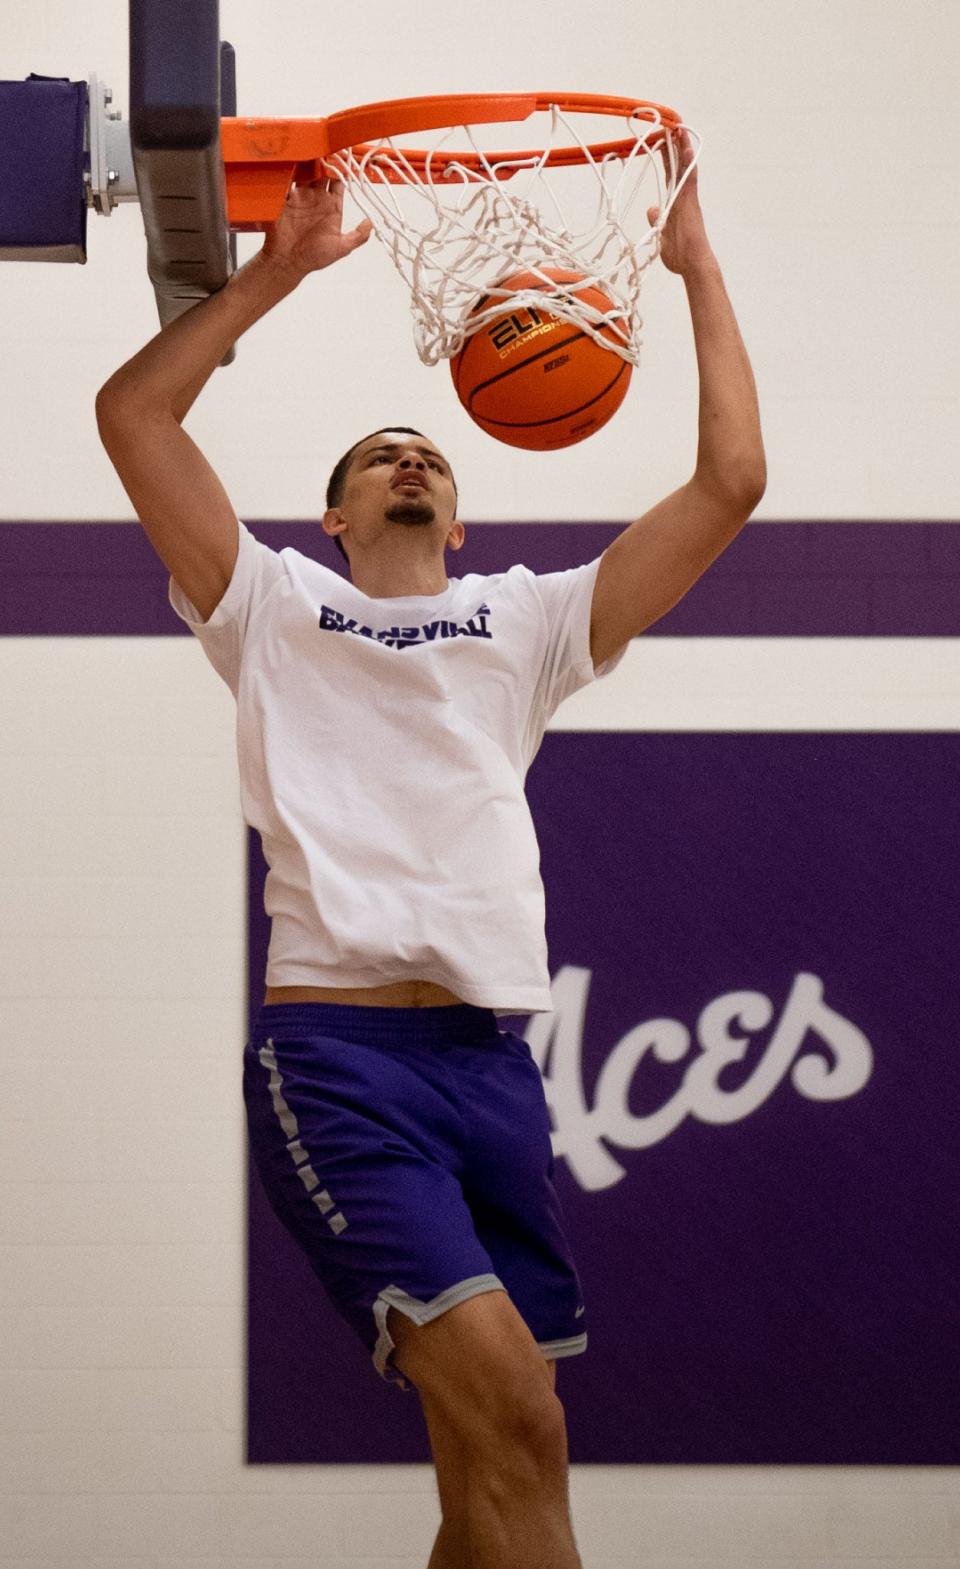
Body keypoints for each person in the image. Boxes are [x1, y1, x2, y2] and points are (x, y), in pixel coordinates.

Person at [95, 129, 764, 1569]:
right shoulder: (267, 606)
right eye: (379, 454)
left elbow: (730, 484)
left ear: (459, 512)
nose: (408, 455)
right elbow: (135, 418)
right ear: (337, 514)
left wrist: (697, 267)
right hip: (340, 1065)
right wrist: (277, 271)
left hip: (487, 1068)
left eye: (430, 456)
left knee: (483, 1473)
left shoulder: (529, 621)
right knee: (525, 1423)